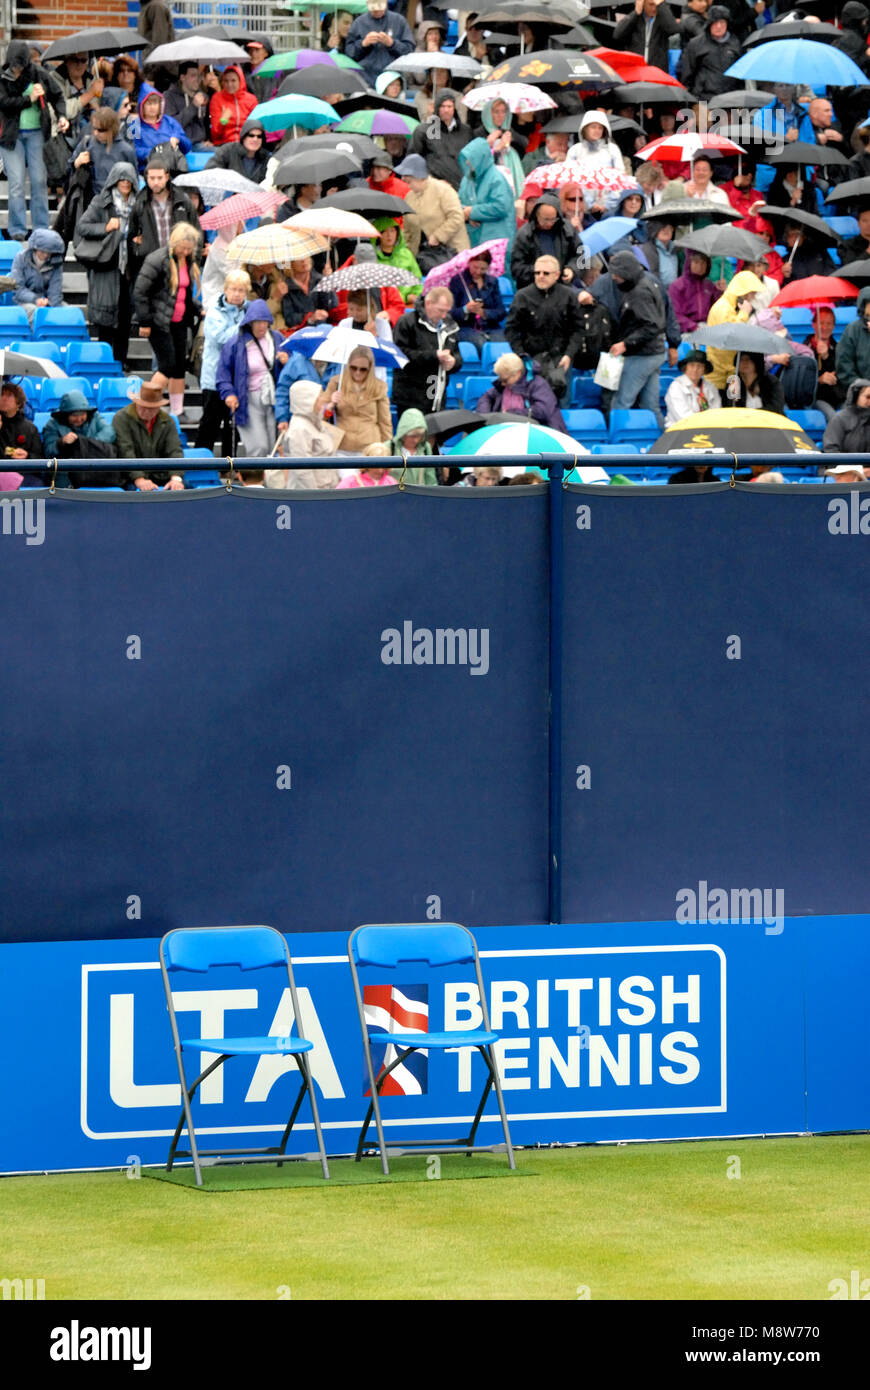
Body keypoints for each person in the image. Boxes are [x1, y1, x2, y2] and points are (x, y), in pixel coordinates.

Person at [0, 40, 68, 242]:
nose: (17, 70)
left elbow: (58, 96)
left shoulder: (38, 74)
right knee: (17, 183)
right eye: (14, 66)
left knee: (39, 180)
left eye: (20, 66)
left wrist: (62, 116)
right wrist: (27, 98)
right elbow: (3, 103)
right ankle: (17, 229)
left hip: (37, 133)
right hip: (11, 137)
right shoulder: (2, 78)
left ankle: (41, 227)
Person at [134, 221, 202, 419]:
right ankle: (147, 404)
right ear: (174, 243)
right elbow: (140, 292)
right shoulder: (157, 260)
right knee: (167, 365)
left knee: (179, 366)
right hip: (158, 321)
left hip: (179, 320)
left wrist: (197, 309)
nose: (185, 252)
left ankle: (177, 410)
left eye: (189, 249)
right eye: (183, 247)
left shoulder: (188, 261)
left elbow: (184, 292)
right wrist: (144, 322)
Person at [594, 249, 668, 428]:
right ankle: (660, 445)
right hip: (654, 352)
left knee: (620, 403)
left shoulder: (639, 292)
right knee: (651, 406)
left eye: (617, 275)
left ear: (626, 273)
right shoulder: (645, 283)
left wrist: (625, 344)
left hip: (643, 355)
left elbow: (651, 326)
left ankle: (616, 448)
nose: (613, 278)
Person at [75, 160, 138, 367]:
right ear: (114, 181)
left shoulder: (139, 204)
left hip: (129, 266)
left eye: (129, 180)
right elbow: (83, 227)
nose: (125, 184)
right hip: (105, 264)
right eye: (121, 180)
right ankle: (105, 358)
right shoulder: (100, 201)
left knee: (125, 313)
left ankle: (121, 359)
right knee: (105, 313)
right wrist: (106, 227)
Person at [216, 300, 289, 458]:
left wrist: (287, 361)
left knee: (274, 444)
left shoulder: (278, 339)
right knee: (259, 446)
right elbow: (223, 372)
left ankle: (271, 480)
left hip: (274, 398)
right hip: (248, 399)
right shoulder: (236, 343)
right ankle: (256, 479)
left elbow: (292, 370)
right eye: (257, 322)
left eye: (264, 322)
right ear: (249, 322)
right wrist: (229, 393)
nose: (261, 326)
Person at [506, 256, 585, 397]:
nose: (540, 276)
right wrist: (522, 355)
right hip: (532, 359)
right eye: (537, 273)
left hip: (560, 360)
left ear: (557, 275)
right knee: (534, 404)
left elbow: (578, 329)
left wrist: (568, 355)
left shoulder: (568, 296)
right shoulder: (522, 296)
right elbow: (511, 329)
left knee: (561, 405)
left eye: (545, 273)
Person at [197, 268, 251, 453]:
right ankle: (200, 464)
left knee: (232, 426)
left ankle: (229, 468)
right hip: (214, 377)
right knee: (210, 423)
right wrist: (242, 327)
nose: (236, 294)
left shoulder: (250, 310)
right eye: (233, 289)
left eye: (241, 290)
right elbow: (220, 337)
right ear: (225, 289)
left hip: (238, 377)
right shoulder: (214, 311)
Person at [393, 287, 462, 416]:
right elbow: (400, 355)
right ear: (428, 303)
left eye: (446, 311)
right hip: (410, 397)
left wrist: (453, 362)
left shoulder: (450, 326)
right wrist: (434, 356)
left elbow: (457, 355)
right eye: (440, 310)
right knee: (413, 435)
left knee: (434, 435)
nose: (443, 315)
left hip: (438, 396)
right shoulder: (407, 322)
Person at [128, 159, 202, 278]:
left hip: (179, 265)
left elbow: (197, 234)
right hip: (150, 267)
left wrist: (193, 264)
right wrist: (139, 249)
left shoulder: (183, 201)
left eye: (159, 178)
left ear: (167, 176)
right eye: (152, 178)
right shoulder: (140, 203)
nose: (156, 182)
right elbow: (131, 237)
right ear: (146, 178)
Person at [395, 153, 470, 268]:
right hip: (423, 258)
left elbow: (456, 217)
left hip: (452, 253)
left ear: (420, 177)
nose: (408, 186)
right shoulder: (409, 197)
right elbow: (407, 230)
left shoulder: (443, 190)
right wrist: (406, 253)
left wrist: (438, 236)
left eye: (410, 182)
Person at [112, 373, 185, 489]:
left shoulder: (168, 421)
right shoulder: (121, 418)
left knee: (184, 489)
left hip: (162, 476)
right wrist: (139, 479)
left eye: (152, 408)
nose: (147, 411)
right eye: (143, 407)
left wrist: (175, 478)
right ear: (136, 403)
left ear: (159, 407)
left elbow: (174, 450)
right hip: (130, 477)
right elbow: (125, 451)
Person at [266, 380, 342, 489]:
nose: (322, 400)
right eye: (318, 398)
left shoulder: (314, 421)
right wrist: (314, 497)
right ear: (307, 401)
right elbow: (302, 471)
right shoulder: (299, 429)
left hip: (326, 490)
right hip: (312, 495)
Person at [41, 389, 119, 488]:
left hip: (95, 470)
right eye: (74, 415)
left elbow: (109, 433)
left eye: (82, 414)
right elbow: (48, 451)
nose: (79, 419)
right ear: (66, 414)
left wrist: (85, 444)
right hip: (65, 472)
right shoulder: (52, 425)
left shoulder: (95, 417)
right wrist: (61, 442)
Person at [320, 345, 392, 453]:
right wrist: (330, 404)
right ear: (348, 365)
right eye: (353, 368)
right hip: (341, 446)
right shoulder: (336, 383)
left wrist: (387, 448)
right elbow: (320, 416)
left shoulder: (379, 387)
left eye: (363, 369)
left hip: (369, 448)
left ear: (370, 368)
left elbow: (385, 421)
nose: (357, 372)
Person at [475, 352, 566, 430]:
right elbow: (486, 397)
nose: (502, 383)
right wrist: (485, 417)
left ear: (517, 373)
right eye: (500, 379)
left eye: (505, 380)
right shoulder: (505, 385)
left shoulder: (538, 384)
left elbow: (542, 411)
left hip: (537, 430)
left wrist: (509, 414)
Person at [704, 270, 764, 387]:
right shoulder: (723, 308)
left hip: (730, 370)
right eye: (752, 293)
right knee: (721, 403)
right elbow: (731, 333)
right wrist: (744, 313)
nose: (753, 297)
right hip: (719, 373)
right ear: (744, 292)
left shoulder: (732, 307)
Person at [457, 138, 517, 252]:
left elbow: (501, 207)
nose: (467, 162)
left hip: (496, 241)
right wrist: (466, 214)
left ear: (481, 158)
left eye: (471, 159)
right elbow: (457, 203)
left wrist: (472, 212)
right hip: (474, 240)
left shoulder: (496, 179)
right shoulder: (467, 179)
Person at [407, 89, 473, 190]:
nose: (446, 110)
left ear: (454, 108)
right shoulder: (423, 131)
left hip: (462, 189)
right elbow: (413, 161)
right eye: (442, 106)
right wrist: (430, 181)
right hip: (433, 189)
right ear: (437, 108)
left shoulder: (466, 131)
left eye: (449, 106)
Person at [510, 192, 578, 289]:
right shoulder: (525, 235)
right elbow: (516, 269)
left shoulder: (567, 230)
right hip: (532, 289)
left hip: (563, 288)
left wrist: (572, 269)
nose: (549, 223)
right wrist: (540, 272)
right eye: (545, 219)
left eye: (553, 219)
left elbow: (582, 255)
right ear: (537, 215)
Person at [448, 248, 506, 351]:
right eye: (475, 267)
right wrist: (466, 309)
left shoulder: (492, 282)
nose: (478, 271)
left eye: (483, 269)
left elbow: (501, 311)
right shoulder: (457, 281)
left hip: (491, 327)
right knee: (481, 344)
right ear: (469, 262)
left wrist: (484, 313)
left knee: (502, 345)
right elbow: (450, 313)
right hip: (466, 328)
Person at [345, 0, 415, 87]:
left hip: (392, 81)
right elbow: (349, 53)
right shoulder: (359, 23)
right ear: (368, 3)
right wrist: (363, 44)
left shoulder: (399, 21)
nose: (376, 10)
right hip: (366, 79)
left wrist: (392, 44)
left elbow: (409, 50)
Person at [679, 7, 741, 101]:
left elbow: (740, 73)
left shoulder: (735, 43)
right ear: (709, 24)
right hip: (703, 98)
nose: (719, 26)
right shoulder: (696, 44)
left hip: (730, 99)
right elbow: (687, 73)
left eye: (722, 22)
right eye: (715, 23)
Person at [11, 228, 65, 324]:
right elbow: (18, 288)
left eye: (49, 253)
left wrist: (52, 305)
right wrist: (35, 299)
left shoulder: (56, 262)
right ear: (35, 249)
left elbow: (55, 289)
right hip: (23, 302)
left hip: (46, 302)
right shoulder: (20, 258)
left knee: (66, 313)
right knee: (36, 313)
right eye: (42, 251)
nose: (45, 255)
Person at [132, 88, 191, 171]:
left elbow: (188, 146)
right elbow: (133, 151)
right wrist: (158, 152)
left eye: (155, 103)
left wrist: (179, 139)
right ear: (142, 105)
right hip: (147, 171)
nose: (152, 107)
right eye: (148, 104)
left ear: (160, 105)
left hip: (172, 169)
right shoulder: (134, 125)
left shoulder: (170, 121)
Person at [612, 0, 679, 71]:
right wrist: (635, 13)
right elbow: (617, 34)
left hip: (657, 70)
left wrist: (661, 6)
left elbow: (673, 29)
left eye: (656, 5)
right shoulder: (636, 19)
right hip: (636, 69)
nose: (653, 8)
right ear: (642, 3)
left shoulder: (662, 18)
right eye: (650, 5)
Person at [805, 304, 846, 419]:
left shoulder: (839, 348)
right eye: (821, 323)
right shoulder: (804, 349)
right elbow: (802, 382)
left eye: (829, 324)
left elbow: (844, 373)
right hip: (815, 398)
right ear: (813, 325)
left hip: (837, 396)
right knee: (833, 416)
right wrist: (819, 380)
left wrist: (826, 357)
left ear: (833, 326)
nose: (825, 327)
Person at [0, 380, 43, 484]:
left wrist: (27, 456)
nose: (4, 398)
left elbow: (40, 459)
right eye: (1, 395)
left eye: (9, 395)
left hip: (24, 475)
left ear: (18, 403)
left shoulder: (30, 428)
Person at [664, 349, 722, 425]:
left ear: (704, 370)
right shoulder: (676, 386)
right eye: (692, 365)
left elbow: (717, 411)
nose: (695, 369)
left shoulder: (710, 387)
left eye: (699, 366)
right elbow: (682, 417)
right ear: (685, 367)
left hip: (708, 428)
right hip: (680, 431)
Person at [52, 52, 103, 138]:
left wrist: (96, 107)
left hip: (87, 134)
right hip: (61, 135)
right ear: (66, 60)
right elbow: (61, 110)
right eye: (74, 60)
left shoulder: (91, 80)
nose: (79, 64)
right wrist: (89, 95)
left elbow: (96, 109)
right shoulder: (54, 79)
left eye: (83, 60)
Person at [280, 257, 337, 334]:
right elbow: (289, 318)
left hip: (323, 328)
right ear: (290, 263)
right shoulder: (286, 286)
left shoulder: (318, 279)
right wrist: (310, 317)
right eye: (298, 258)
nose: (303, 260)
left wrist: (328, 282)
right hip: (300, 332)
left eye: (306, 256)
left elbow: (332, 304)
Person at [372, 218, 423, 301]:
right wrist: (404, 298)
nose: (389, 235)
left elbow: (418, 280)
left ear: (397, 233)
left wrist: (415, 296)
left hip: (409, 304)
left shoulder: (406, 254)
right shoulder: (373, 259)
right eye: (384, 231)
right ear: (378, 235)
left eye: (392, 231)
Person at [164, 62, 212, 149]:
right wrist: (193, 106)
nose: (197, 79)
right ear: (182, 77)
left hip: (201, 144)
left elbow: (207, 123)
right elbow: (171, 126)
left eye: (199, 75)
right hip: (180, 145)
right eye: (193, 75)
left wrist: (208, 140)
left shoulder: (202, 96)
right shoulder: (169, 96)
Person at [204, 118, 270, 181]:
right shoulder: (228, 150)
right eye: (251, 135)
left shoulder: (266, 158)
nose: (255, 139)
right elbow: (210, 171)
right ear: (243, 136)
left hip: (257, 192)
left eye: (259, 136)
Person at [209, 65, 257, 147]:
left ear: (240, 81)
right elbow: (215, 135)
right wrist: (223, 121)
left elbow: (255, 127)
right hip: (224, 145)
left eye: (233, 81)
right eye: (226, 81)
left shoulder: (251, 99)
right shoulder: (217, 98)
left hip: (246, 144)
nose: (229, 84)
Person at [566, 111, 624, 177]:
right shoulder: (575, 150)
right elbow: (569, 174)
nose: (597, 130)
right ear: (585, 128)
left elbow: (620, 173)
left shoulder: (612, 149)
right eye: (593, 127)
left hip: (606, 185)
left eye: (600, 128)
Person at [834, 285, 870, 384]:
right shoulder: (852, 330)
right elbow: (843, 366)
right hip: (860, 392)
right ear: (864, 306)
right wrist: (862, 387)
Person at [391, 409, 436, 485]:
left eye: (419, 436)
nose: (416, 440)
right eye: (412, 436)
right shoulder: (389, 447)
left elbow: (430, 478)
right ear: (403, 433)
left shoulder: (426, 448)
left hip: (420, 495)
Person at [243, 37, 276, 106]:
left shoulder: (275, 73)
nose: (253, 54)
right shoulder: (242, 74)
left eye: (257, 50)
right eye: (250, 50)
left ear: (266, 53)